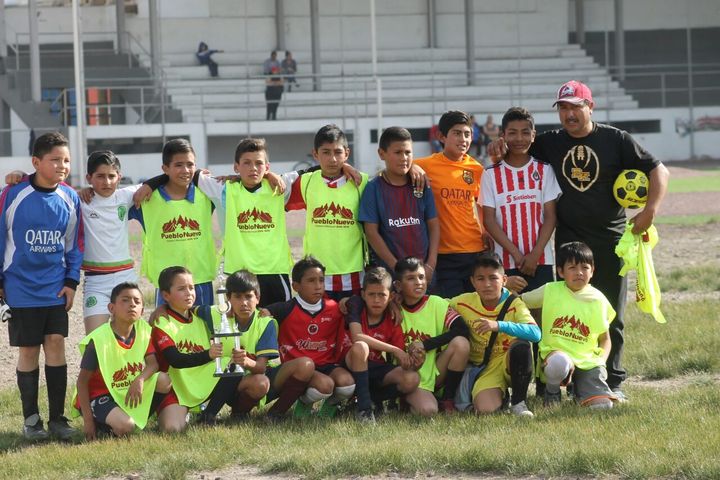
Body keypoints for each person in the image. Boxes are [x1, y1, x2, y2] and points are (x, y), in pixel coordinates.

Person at [488, 80, 670, 399]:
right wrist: (496, 146)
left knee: (609, 314)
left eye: (576, 106)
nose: (570, 114)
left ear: (590, 106)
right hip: (569, 243)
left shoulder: (616, 139)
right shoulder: (549, 142)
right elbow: (517, 146)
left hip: (610, 240)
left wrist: (650, 210)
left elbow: (659, 171)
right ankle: (567, 379)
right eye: (564, 108)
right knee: (566, 317)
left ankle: (611, 380)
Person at [0, 132, 82, 441]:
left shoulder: (70, 198)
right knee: (29, 350)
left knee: (57, 344)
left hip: (54, 288)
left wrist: (72, 282)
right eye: (56, 160)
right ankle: (31, 420)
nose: (63, 165)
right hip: (20, 288)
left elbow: (75, 245)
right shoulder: (12, 194)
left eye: (67, 160)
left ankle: (58, 419)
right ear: (36, 162)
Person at [151, 267, 279, 426]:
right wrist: (162, 307)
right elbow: (175, 360)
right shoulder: (163, 322)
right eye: (182, 289)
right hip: (176, 387)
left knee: (232, 365)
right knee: (173, 429)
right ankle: (157, 410)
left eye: (191, 288)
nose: (189, 293)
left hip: (204, 381)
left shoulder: (201, 316)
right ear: (165, 295)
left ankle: (209, 416)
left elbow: (192, 309)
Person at [521, 242, 617, 410]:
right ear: (560, 271)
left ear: (592, 270)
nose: (579, 272)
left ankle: (579, 393)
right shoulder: (550, 290)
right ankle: (551, 393)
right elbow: (520, 301)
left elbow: (605, 339)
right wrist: (504, 286)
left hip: (587, 360)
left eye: (585, 267)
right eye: (572, 267)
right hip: (556, 357)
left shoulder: (599, 299)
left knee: (603, 406)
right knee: (559, 362)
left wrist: (600, 362)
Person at [75, 282, 170, 440]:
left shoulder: (144, 330)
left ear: (141, 310)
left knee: (164, 380)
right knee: (125, 426)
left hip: (126, 390)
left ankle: (139, 420)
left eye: (137, 302)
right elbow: (82, 382)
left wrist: (140, 379)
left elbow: (153, 364)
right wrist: (88, 421)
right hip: (100, 395)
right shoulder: (99, 339)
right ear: (111, 308)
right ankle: (103, 427)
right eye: (125, 300)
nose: (132, 305)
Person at [481, 107, 561, 293]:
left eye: (525, 133)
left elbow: (550, 217)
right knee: (510, 312)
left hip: (541, 259)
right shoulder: (490, 174)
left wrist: (534, 255)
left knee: (540, 313)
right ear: (503, 136)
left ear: (533, 135)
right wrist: (517, 255)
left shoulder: (545, 170)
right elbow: (489, 220)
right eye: (512, 133)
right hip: (505, 261)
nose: (519, 139)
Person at [449, 253, 540, 416]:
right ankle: (503, 397)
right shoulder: (462, 302)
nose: (487, 284)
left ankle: (519, 403)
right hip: (486, 369)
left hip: (509, 360)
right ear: (472, 282)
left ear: (504, 280)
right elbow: (434, 305)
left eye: (493, 278)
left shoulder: (514, 303)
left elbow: (535, 333)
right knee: (485, 410)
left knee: (521, 346)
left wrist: (498, 325)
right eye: (480, 279)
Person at [131, 138, 217, 307]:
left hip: (200, 281)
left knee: (205, 332)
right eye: (178, 165)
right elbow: (110, 201)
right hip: (167, 286)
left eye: (190, 164)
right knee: (168, 333)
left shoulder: (206, 194)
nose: (185, 170)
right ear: (165, 169)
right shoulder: (146, 198)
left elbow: (241, 183)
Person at [265, 256, 355, 418]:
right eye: (311, 281)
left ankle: (330, 408)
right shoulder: (284, 309)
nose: (318, 286)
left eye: (321, 280)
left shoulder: (334, 308)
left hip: (327, 365)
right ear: (296, 286)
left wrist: (350, 301)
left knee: (347, 385)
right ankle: (303, 403)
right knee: (325, 385)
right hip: (300, 369)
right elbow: (260, 316)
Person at [286, 125, 369, 300]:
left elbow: (392, 178)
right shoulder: (305, 182)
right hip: (316, 275)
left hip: (353, 275)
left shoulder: (362, 182)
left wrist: (416, 168)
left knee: (351, 325)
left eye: (338, 152)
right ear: (315, 154)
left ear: (347, 153)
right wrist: (238, 177)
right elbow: (264, 190)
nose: (332, 159)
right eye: (326, 152)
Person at [414, 110, 487, 298]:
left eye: (467, 134)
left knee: (475, 310)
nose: (463, 139)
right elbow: (393, 167)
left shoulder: (477, 169)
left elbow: (482, 205)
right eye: (457, 133)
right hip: (444, 254)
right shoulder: (426, 165)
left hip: (475, 251)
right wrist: (412, 167)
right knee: (452, 310)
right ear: (441, 136)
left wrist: (485, 232)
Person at [359, 127, 439, 283]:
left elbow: (434, 225)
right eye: (398, 153)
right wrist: (396, 268)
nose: (404, 158)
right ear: (381, 154)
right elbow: (371, 233)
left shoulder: (421, 184)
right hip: (392, 276)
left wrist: (431, 265)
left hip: (424, 275)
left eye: (408, 152)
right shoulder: (373, 188)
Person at [343, 267, 420, 423]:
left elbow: (401, 361)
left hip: (376, 368)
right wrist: (394, 350)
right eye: (371, 294)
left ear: (391, 296)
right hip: (349, 366)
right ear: (363, 294)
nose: (376, 300)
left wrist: (414, 360)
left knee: (412, 378)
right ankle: (364, 411)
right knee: (361, 347)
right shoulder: (356, 305)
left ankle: (372, 399)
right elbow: (357, 337)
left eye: (382, 295)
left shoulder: (392, 318)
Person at [394, 257, 470, 416]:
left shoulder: (437, 303)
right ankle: (403, 398)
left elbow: (462, 329)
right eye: (410, 278)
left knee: (461, 343)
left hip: (433, 372)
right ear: (398, 285)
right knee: (428, 410)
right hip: (405, 376)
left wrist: (426, 344)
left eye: (421, 277)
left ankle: (448, 399)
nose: (418, 282)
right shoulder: (393, 308)